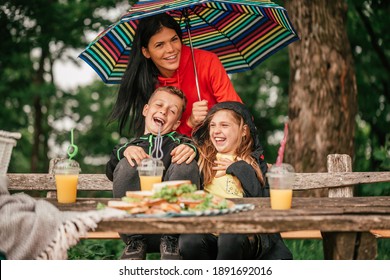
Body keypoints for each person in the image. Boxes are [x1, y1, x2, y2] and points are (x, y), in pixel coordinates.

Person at [179, 101, 293, 260]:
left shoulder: (254, 165)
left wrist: (239, 168)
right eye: (212, 126)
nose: (216, 131)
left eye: (224, 125)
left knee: (230, 236)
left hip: (246, 236)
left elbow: (261, 200)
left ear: (244, 130)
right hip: (210, 231)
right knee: (189, 240)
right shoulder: (203, 158)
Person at [109, 13, 242, 138]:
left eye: (174, 40)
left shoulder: (207, 61)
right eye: (160, 45)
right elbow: (154, 138)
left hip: (219, 146)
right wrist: (190, 123)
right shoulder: (147, 83)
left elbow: (238, 113)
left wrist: (213, 117)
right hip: (175, 153)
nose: (171, 49)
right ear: (146, 52)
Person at [106, 86, 201, 260]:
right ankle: (136, 241)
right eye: (159, 105)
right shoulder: (129, 147)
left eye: (172, 111)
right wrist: (125, 151)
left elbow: (198, 157)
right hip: (136, 230)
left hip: (175, 234)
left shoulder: (180, 142)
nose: (163, 111)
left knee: (185, 162)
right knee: (129, 161)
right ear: (146, 110)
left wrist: (192, 149)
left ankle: (170, 236)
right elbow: (111, 170)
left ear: (176, 124)